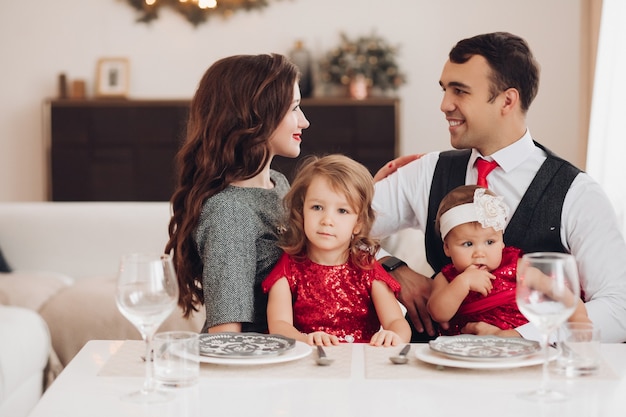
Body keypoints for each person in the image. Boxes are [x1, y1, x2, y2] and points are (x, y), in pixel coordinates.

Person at [372, 31, 626, 342]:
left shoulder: (578, 193)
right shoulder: (428, 171)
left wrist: (521, 338)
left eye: (460, 91)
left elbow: (618, 310)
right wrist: (391, 266)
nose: (444, 104)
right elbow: (339, 227)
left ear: (507, 100)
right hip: (436, 371)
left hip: (535, 380)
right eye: (444, 89)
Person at [165, 53, 310, 334]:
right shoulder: (229, 212)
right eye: (294, 108)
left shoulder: (278, 183)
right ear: (255, 115)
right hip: (258, 366)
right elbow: (225, 338)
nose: (304, 122)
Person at [262, 154, 411, 347]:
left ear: (358, 223)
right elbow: (279, 325)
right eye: (317, 207)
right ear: (301, 211)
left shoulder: (366, 267)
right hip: (308, 361)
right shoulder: (289, 266)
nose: (327, 220)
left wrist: (395, 336)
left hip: (358, 363)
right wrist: (306, 340)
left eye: (342, 211)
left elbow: (396, 322)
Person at [427, 185, 589, 336]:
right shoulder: (446, 279)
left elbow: (559, 291)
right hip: (465, 347)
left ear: (502, 242)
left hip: (519, 342)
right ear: (447, 248)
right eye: (467, 244)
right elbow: (438, 314)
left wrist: (579, 318)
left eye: (490, 242)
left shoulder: (517, 267)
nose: (479, 253)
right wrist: (462, 283)